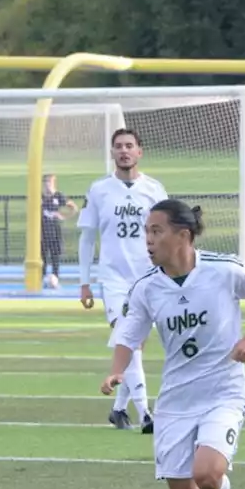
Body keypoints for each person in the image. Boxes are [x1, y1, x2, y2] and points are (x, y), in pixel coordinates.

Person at [100, 199, 245, 489]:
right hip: (177, 401)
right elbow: (128, 336)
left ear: (183, 235)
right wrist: (116, 372)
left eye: (155, 231)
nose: (147, 240)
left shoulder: (223, 269)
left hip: (224, 391)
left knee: (208, 476)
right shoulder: (147, 288)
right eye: (146, 232)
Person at [78, 128, 168, 433]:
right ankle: (146, 414)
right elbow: (87, 237)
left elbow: (167, 236)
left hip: (148, 278)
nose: (124, 151)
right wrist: (85, 281)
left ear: (140, 152)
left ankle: (119, 410)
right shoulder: (99, 189)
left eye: (129, 146)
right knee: (128, 340)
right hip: (114, 280)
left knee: (134, 346)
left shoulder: (155, 190)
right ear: (112, 153)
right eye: (118, 146)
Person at [40, 174, 78, 289]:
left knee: (55, 256)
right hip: (42, 232)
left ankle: (55, 279)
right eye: (46, 182)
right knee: (42, 257)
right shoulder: (40, 197)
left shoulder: (58, 196)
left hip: (55, 231)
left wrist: (64, 216)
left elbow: (73, 208)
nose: (47, 185)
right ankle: (42, 279)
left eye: (50, 182)